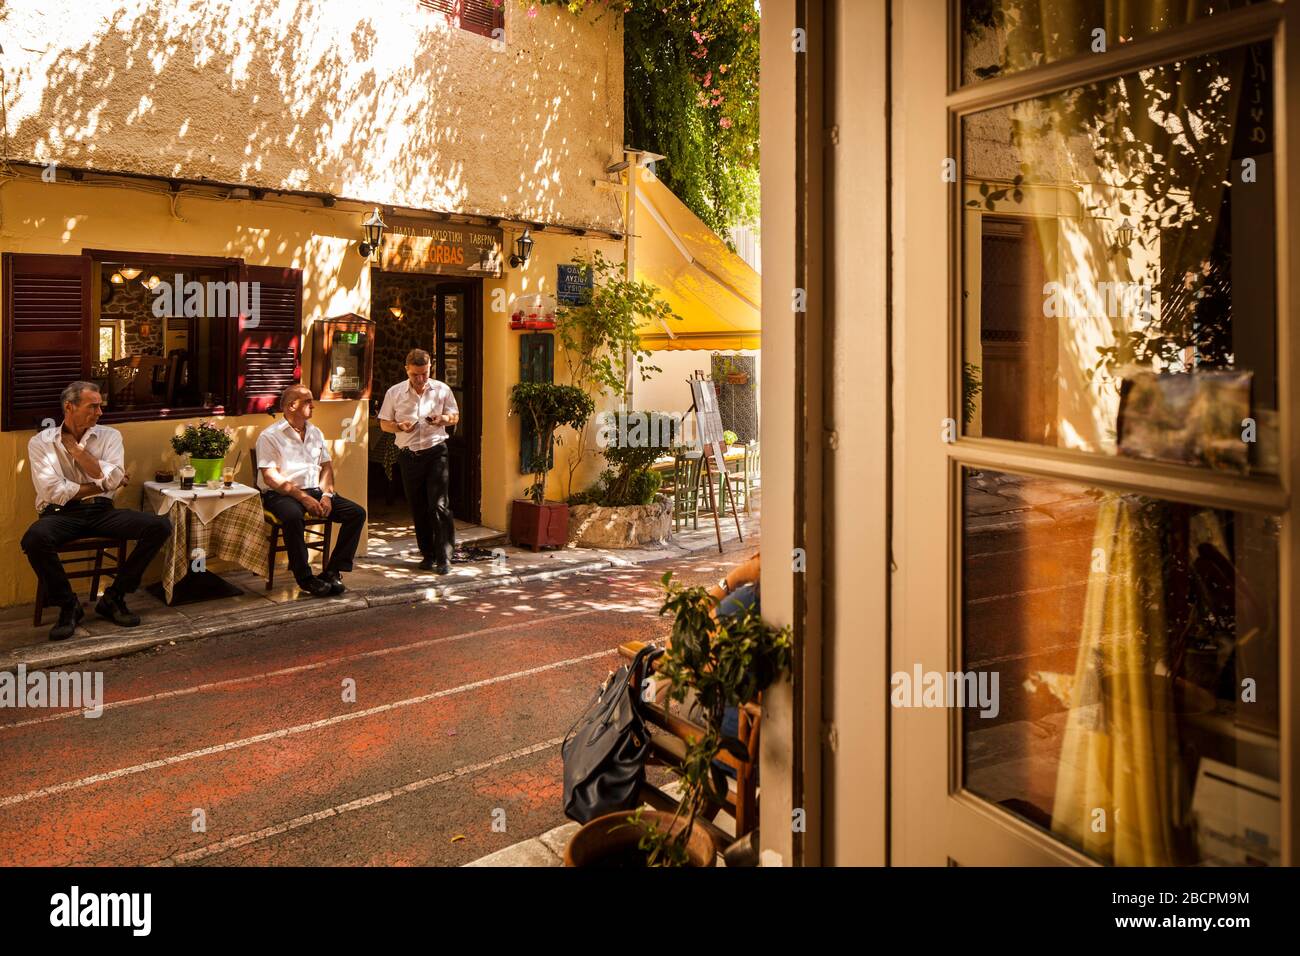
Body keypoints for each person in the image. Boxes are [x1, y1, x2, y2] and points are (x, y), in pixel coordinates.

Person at [22, 381, 172, 641]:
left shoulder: (110, 436)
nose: (100, 412)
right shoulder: (41, 442)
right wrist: (100, 484)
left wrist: (76, 451)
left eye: (100, 406)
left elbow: (111, 478)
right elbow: (52, 492)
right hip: (60, 514)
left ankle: (114, 597)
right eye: (93, 406)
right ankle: (69, 605)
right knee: (34, 539)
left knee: (159, 526)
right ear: (70, 407)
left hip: (102, 511)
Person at [256, 384, 367, 597]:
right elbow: (270, 477)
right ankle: (305, 578)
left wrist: (326, 495)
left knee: (356, 513)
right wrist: (303, 498)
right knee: (292, 516)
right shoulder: (269, 436)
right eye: (308, 401)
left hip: (315, 490)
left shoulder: (315, 432)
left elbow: (326, 467)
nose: (313, 406)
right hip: (281, 494)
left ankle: (332, 572)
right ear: (291, 406)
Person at [377, 348, 460, 573]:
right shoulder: (395, 393)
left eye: (424, 373)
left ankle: (445, 556)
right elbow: (384, 423)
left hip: (436, 452)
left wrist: (442, 419)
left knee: (439, 505)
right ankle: (428, 555)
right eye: (415, 374)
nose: (420, 379)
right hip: (409, 455)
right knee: (418, 506)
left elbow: (454, 417)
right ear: (407, 370)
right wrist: (399, 426)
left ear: (429, 368)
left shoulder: (442, 389)